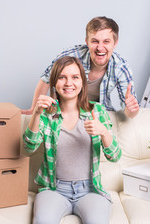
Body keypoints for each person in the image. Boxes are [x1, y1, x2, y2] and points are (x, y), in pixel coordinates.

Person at [23, 56, 121, 224]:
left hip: (90, 190)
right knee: (42, 221)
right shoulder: (46, 115)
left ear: (82, 82)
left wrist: (104, 132)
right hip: (54, 190)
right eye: (62, 77)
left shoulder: (96, 111)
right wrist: (37, 114)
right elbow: (28, 148)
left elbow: (116, 156)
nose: (69, 83)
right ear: (54, 83)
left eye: (75, 77)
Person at [22, 16, 139, 119]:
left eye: (106, 41)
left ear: (115, 43)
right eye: (95, 41)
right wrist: (33, 109)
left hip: (97, 113)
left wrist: (131, 110)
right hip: (67, 110)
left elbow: (130, 113)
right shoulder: (71, 56)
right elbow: (46, 79)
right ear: (87, 42)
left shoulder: (121, 68)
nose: (100, 47)